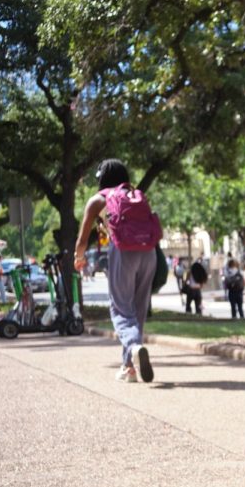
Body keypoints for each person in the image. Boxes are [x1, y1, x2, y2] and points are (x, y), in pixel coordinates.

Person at [73, 159, 156, 383]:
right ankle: (129, 366)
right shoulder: (135, 194)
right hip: (149, 252)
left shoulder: (98, 200)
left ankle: (134, 346)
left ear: (102, 178)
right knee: (137, 310)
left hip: (123, 252)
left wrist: (79, 258)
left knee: (120, 309)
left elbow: (82, 239)